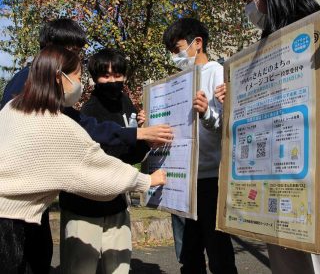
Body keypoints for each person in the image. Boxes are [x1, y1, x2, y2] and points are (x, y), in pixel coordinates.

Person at [0, 18, 173, 274]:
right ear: (58, 73)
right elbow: (95, 167)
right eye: (79, 76)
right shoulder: (56, 122)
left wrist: (138, 134)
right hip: (10, 225)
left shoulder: (17, 105)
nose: (81, 85)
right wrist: (146, 181)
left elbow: (85, 128)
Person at [215, 0, 320, 273]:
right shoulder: (265, 47)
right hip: (281, 181)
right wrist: (235, 101)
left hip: (311, 173)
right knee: (287, 257)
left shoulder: (313, 29)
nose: (250, 9)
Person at [59, 48, 149, 274]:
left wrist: (145, 136)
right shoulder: (89, 111)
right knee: (81, 269)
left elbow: (131, 155)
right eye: (105, 76)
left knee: (119, 269)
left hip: (116, 204)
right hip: (84, 207)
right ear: (95, 78)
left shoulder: (127, 104)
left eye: (117, 75)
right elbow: (105, 157)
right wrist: (138, 138)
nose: (112, 81)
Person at [162, 18, 238, 274]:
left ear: (197, 43)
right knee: (188, 254)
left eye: (177, 48)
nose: (175, 56)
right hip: (182, 179)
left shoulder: (217, 72)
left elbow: (224, 125)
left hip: (210, 177)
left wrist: (206, 113)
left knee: (218, 253)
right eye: (171, 51)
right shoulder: (179, 80)